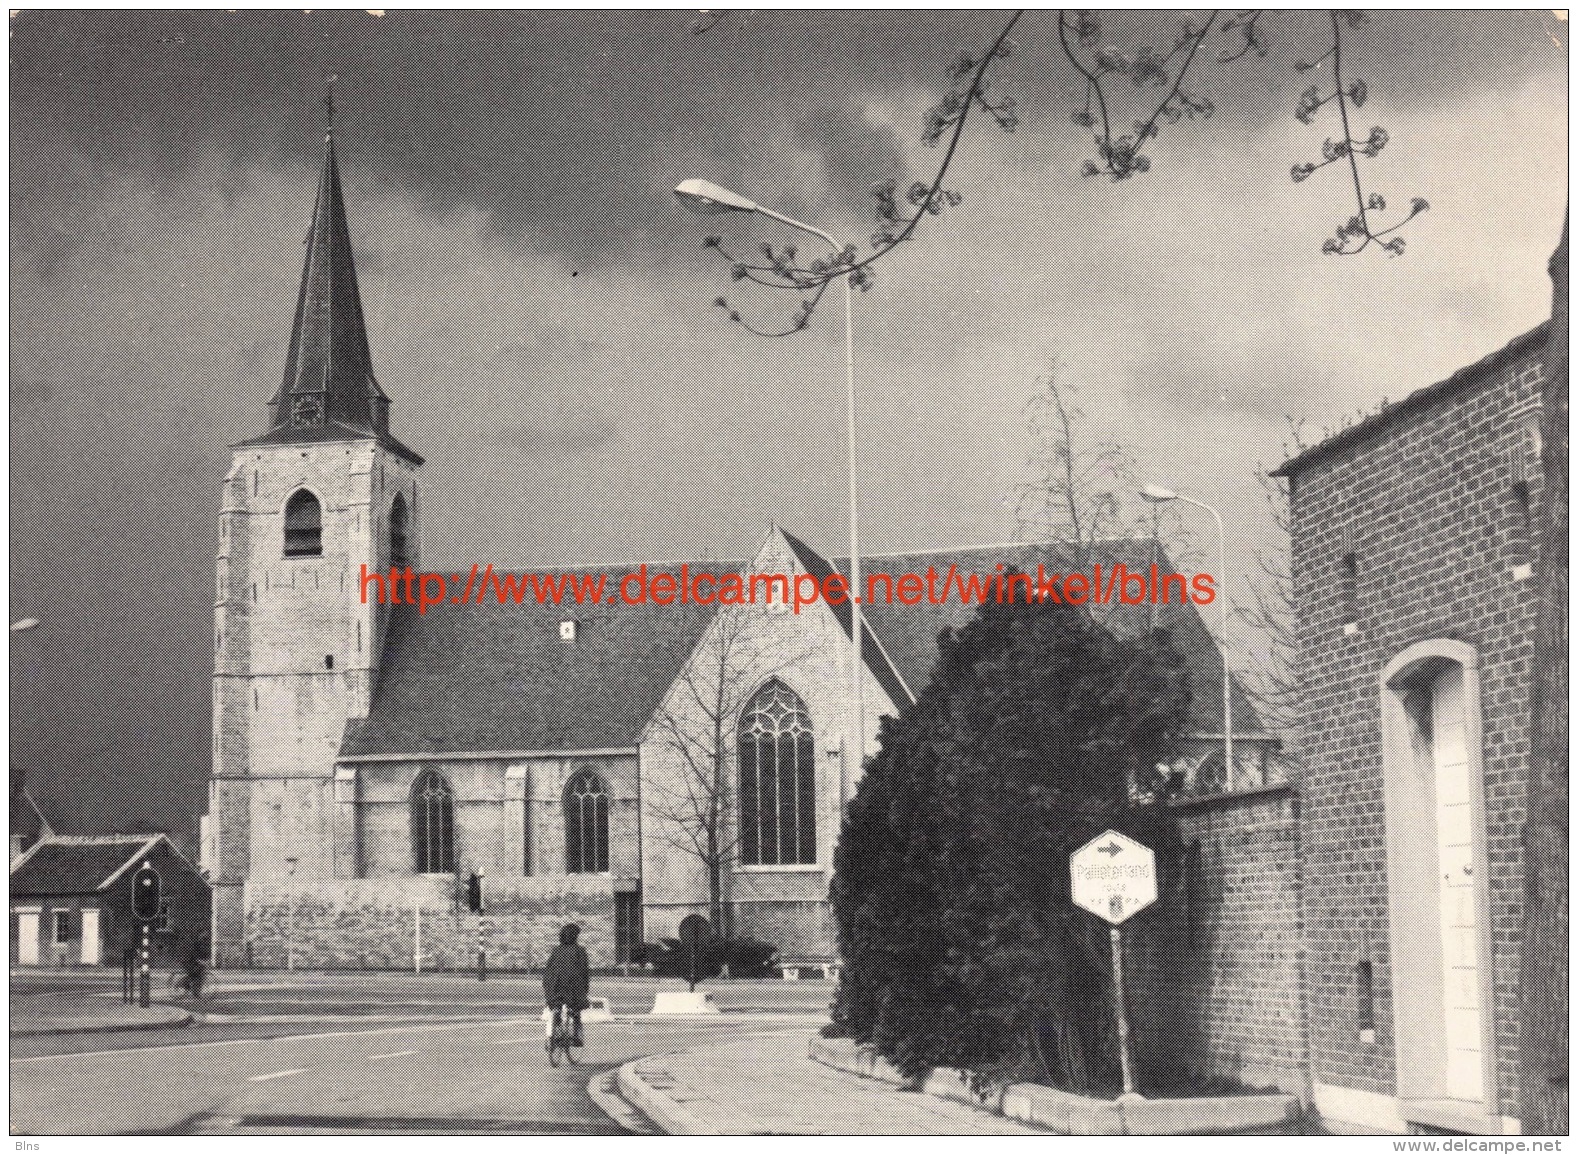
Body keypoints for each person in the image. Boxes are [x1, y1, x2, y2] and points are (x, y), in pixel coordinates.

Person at [542, 923, 590, 1048]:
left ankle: (554, 1030)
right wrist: (584, 990)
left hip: (553, 984)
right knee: (576, 1008)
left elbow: (548, 969)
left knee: (555, 1006)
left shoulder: (556, 950)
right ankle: (576, 1035)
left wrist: (547, 985)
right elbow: (584, 972)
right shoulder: (580, 951)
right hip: (571, 985)